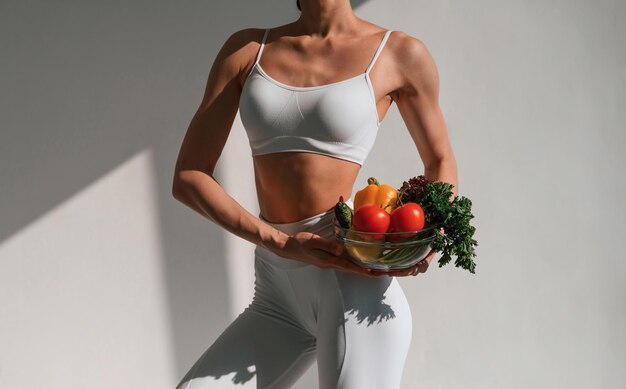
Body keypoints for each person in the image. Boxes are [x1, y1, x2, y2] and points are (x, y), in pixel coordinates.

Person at [171, 0, 458, 387]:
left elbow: (440, 159)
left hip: (353, 285)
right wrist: (280, 243)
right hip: (275, 293)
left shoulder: (398, 53)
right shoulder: (247, 51)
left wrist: (426, 239)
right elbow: (189, 176)